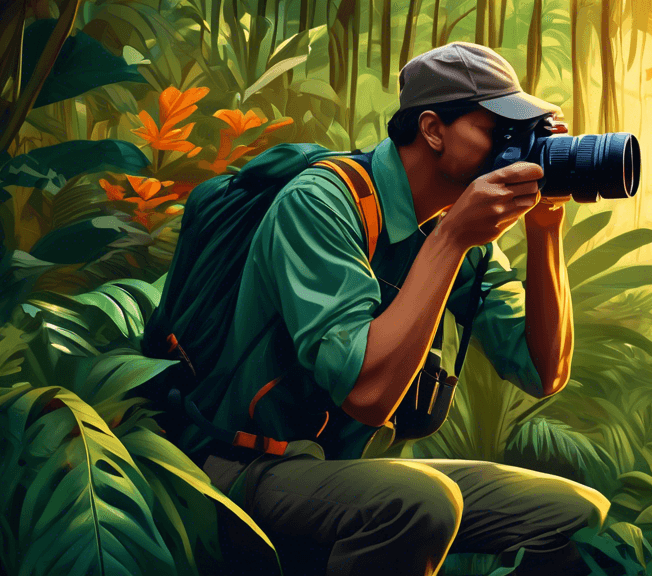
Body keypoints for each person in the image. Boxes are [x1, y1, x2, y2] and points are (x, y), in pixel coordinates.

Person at [189, 41, 610, 576]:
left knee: (574, 515)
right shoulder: (322, 202)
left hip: (346, 471)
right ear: (433, 129)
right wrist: (452, 240)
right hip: (249, 465)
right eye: (498, 131)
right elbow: (365, 394)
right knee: (420, 500)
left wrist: (545, 227)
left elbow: (542, 370)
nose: (516, 149)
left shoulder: (457, 223)